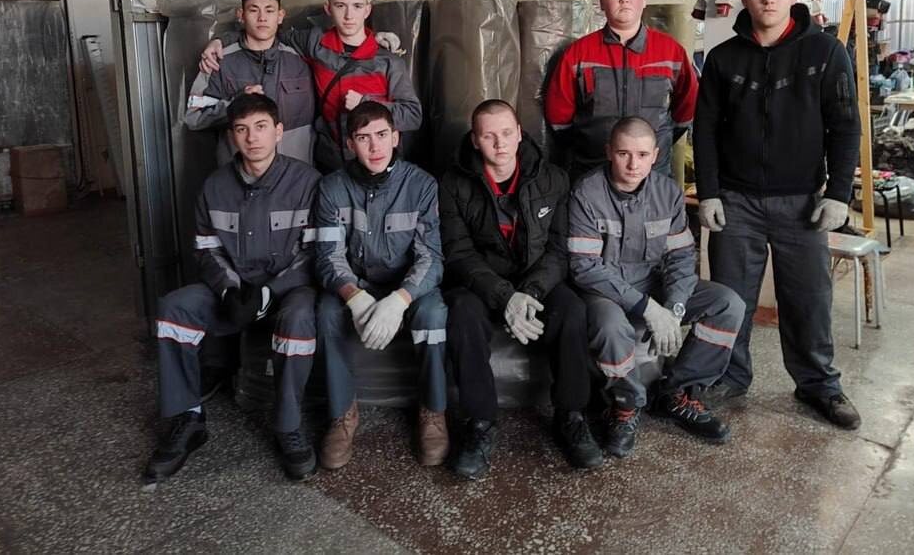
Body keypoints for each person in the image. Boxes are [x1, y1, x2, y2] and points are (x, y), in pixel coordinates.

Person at [693, 0, 863, 430]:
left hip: (803, 204)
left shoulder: (825, 52)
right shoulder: (723, 58)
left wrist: (838, 194)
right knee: (731, 299)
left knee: (809, 299)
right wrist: (709, 193)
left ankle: (819, 385)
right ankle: (729, 376)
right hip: (736, 202)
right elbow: (704, 130)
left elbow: (846, 127)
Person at [145, 93, 322, 484]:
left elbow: (314, 253)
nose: (252, 138)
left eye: (261, 127)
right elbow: (206, 249)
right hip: (234, 289)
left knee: (299, 318)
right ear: (231, 136)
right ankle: (188, 419)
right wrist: (228, 290)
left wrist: (269, 292)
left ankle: (288, 425)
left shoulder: (307, 182)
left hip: (287, 291)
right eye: (241, 129)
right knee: (174, 307)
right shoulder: (214, 186)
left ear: (278, 132)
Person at [440, 100, 603, 480]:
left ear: (520, 133)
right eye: (489, 136)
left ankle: (571, 415)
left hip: (535, 281)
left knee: (572, 310)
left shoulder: (553, 178)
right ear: (475, 140)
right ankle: (480, 423)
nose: (500, 144)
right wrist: (504, 297)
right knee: (461, 314)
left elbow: (559, 250)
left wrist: (529, 292)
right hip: (481, 283)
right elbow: (458, 253)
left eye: (506, 133)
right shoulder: (452, 183)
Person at [567, 117, 743, 455]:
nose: (633, 164)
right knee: (610, 326)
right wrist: (648, 308)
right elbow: (585, 268)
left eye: (642, 155)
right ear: (609, 152)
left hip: (654, 283)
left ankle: (677, 393)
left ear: (656, 155)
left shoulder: (668, 192)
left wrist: (674, 309)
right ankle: (625, 406)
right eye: (624, 154)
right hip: (605, 290)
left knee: (727, 304)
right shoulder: (586, 192)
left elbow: (680, 258)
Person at [314, 101, 447, 469]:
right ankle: (342, 414)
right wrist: (353, 296)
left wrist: (399, 300)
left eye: (381, 135)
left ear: (396, 137)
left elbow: (431, 257)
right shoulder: (331, 187)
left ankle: (433, 412)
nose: (374, 146)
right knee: (326, 311)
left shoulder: (421, 185)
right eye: (363, 138)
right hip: (357, 283)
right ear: (349, 144)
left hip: (408, 287)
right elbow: (327, 256)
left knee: (434, 315)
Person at [200, 0, 422, 173]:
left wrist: (366, 103)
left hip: (378, 165)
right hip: (331, 166)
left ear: (367, 10)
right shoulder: (314, 43)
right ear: (328, 9)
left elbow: (413, 115)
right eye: (340, 6)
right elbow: (265, 32)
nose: (348, 15)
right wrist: (220, 41)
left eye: (356, 6)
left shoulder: (387, 61)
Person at [544, 0, 698, 181]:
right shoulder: (578, 54)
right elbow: (559, 117)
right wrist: (590, 146)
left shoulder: (671, 52)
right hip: (593, 174)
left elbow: (685, 111)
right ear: (601, 2)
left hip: (653, 176)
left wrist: (655, 144)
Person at [185, 0, 315, 165]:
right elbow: (194, 118)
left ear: (280, 16)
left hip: (294, 173)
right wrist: (235, 104)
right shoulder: (218, 61)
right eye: (254, 10)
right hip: (240, 175)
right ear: (241, 15)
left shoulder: (300, 59)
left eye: (269, 10)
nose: (262, 18)